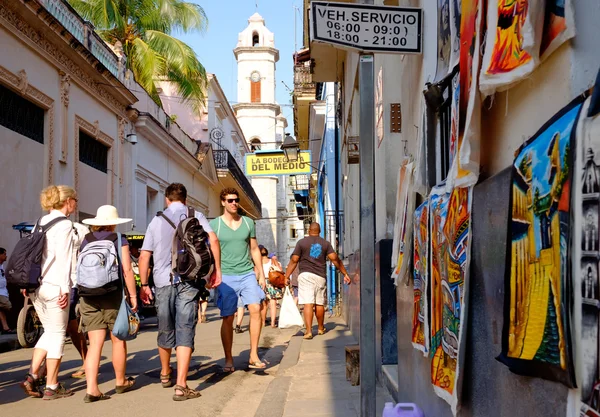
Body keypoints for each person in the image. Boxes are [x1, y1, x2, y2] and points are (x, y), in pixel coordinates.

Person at [139, 183, 221, 401]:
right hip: (190, 279)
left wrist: (144, 284)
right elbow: (213, 240)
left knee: (165, 326)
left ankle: (165, 373)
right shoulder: (196, 215)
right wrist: (216, 271)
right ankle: (181, 385)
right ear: (185, 199)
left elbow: (145, 256)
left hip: (163, 281)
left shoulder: (156, 221)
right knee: (185, 327)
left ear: (167, 199)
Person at [20, 185, 78, 400]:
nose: (75, 204)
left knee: (49, 332)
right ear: (67, 201)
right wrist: (65, 288)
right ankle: (52, 385)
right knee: (57, 335)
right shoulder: (64, 225)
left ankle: (32, 376)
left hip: (37, 286)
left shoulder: (40, 222)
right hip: (55, 286)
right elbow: (63, 259)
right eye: (75, 200)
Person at [79, 205, 138, 402]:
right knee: (117, 339)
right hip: (112, 294)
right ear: (113, 223)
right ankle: (120, 382)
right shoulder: (118, 239)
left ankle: (91, 389)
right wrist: (133, 296)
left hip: (87, 294)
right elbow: (127, 270)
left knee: (95, 344)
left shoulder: (85, 240)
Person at [210, 188, 266, 371]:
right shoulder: (215, 225)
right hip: (225, 275)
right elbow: (210, 251)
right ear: (223, 202)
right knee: (228, 317)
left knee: (256, 308)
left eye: (236, 200)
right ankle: (228, 359)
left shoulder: (248, 223)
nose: (234, 203)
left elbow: (254, 249)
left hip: (247, 273)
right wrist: (212, 273)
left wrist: (261, 273)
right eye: (230, 200)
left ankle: (253, 355)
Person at [284, 222, 351, 339]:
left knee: (308, 303)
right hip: (320, 276)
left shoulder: (301, 243)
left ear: (309, 230)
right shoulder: (325, 244)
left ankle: (309, 331)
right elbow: (334, 258)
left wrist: (286, 276)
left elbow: (294, 260)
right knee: (319, 302)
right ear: (319, 231)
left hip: (305, 275)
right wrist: (344, 273)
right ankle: (320, 328)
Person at [67, 222, 89, 379]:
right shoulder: (42, 225)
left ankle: (39, 372)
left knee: (58, 328)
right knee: (70, 326)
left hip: (70, 283)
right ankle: (88, 361)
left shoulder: (79, 229)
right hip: (52, 284)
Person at [260, 247, 283, 328]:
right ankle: (273, 323)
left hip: (262, 282)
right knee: (273, 303)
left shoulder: (258, 262)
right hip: (272, 282)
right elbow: (280, 270)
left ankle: (263, 322)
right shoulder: (272, 260)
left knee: (264, 304)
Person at [0, 247, 14, 334]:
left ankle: (5, 328)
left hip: (3, 291)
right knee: (8, 307)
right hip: (0, 292)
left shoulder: (2, 266)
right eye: (4, 254)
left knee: (1, 310)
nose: (6, 256)